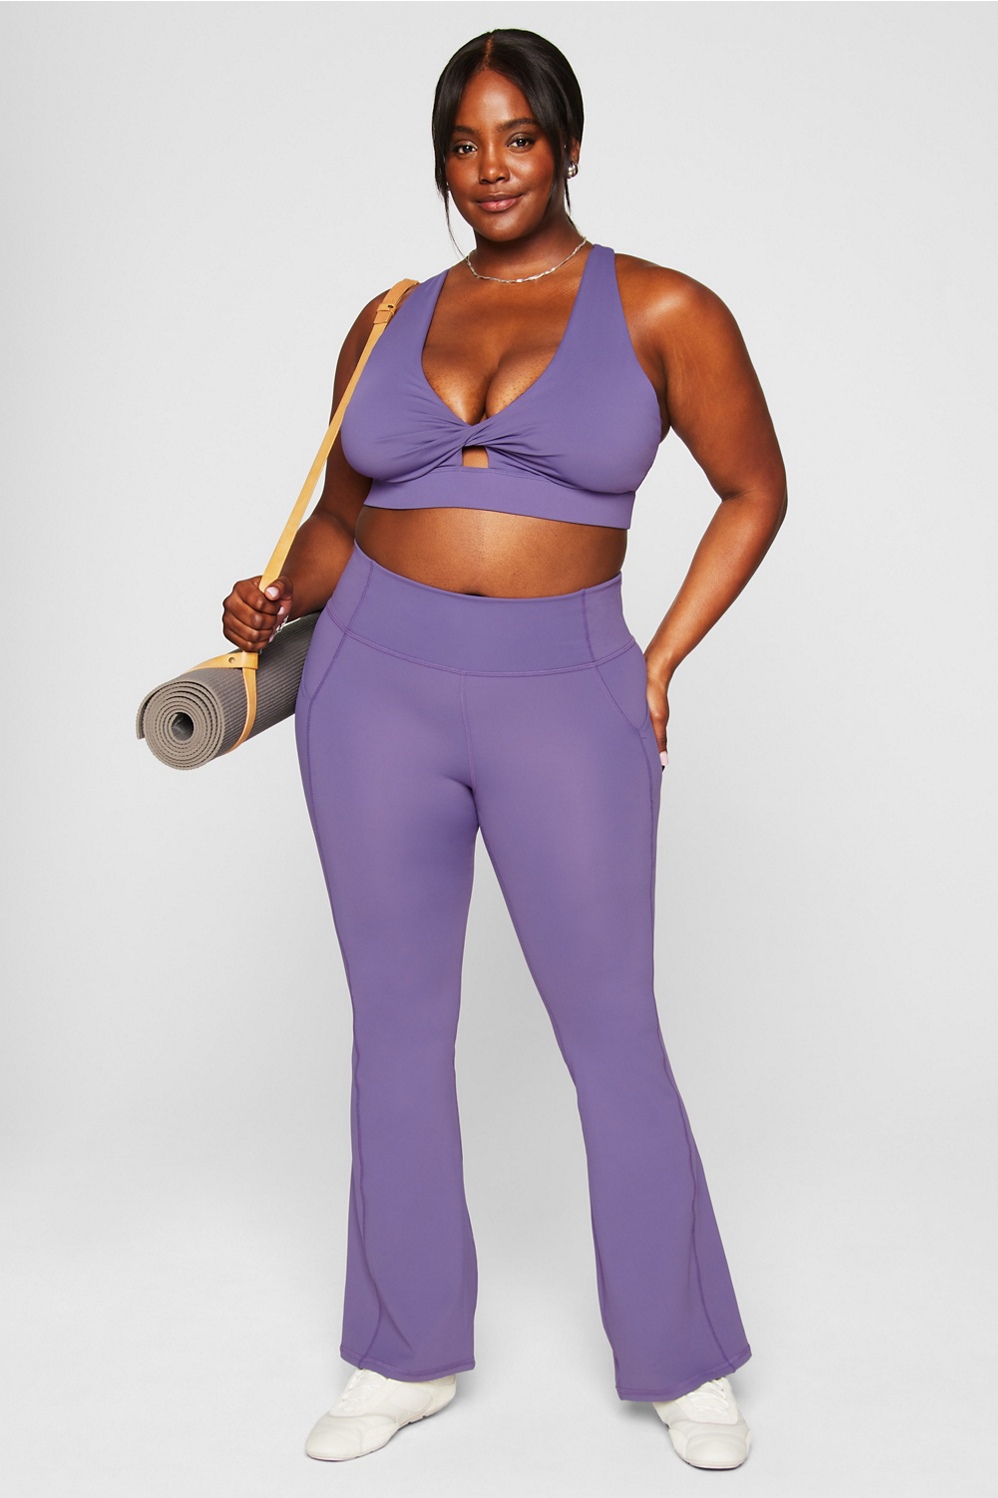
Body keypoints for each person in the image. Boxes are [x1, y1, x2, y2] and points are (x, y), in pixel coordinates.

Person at [222, 28, 786, 1474]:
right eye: (464, 143)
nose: (490, 168)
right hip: (370, 685)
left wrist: (657, 659)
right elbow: (343, 517)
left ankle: (681, 1355)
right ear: (440, 160)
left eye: (518, 137)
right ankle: (401, 1349)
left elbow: (752, 488)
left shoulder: (662, 308)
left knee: (610, 1028)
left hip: (563, 690)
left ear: (568, 146)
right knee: (397, 1024)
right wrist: (274, 594)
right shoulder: (386, 317)